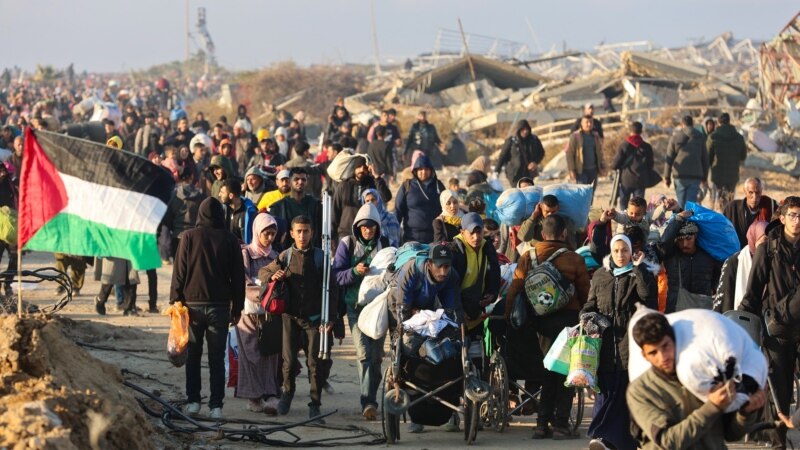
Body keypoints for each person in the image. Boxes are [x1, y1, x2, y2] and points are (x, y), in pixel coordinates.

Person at [505, 214, 590, 440]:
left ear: (542, 235)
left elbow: (514, 289)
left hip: (539, 323)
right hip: (568, 321)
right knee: (565, 372)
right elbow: (585, 293)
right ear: (563, 234)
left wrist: (508, 317)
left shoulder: (529, 257)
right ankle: (561, 425)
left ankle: (542, 425)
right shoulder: (574, 259)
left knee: (547, 373)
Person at [627, 313, 765, 450]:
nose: (663, 357)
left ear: (675, 340)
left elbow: (730, 434)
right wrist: (712, 407)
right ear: (644, 356)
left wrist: (746, 413)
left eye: (665, 346)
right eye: (653, 353)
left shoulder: (706, 372)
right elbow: (668, 441)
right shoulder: (640, 390)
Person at [170, 197, 245, 420]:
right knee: (216, 358)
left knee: (193, 356)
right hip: (220, 308)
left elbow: (179, 272)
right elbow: (238, 277)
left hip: (191, 307)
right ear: (222, 215)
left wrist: (175, 300)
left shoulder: (189, 237)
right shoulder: (231, 240)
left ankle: (193, 402)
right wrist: (238, 307)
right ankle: (216, 406)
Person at [581, 235, 657, 450]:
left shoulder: (638, 274)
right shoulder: (600, 275)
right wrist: (586, 317)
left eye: (625, 250)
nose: (621, 255)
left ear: (631, 251)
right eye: (616, 251)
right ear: (611, 253)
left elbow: (647, 296)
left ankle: (618, 442)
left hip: (629, 344)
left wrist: (640, 269)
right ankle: (601, 439)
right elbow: (590, 303)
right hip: (604, 344)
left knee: (625, 394)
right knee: (604, 394)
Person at [739, 196, 800, 449]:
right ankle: (778, 443)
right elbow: (753, 292)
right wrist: (744, 327)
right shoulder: (769, 248)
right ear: (783, 218)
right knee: (780, 393)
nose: (798, 221)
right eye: (794, 215)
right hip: (777, 332)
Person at [259, 215, 334, 423]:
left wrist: (332, 319)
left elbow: (333, 290)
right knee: (289, 362)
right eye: (298, 231)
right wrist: (273, 277)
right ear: (292, 233)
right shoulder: (285, 256)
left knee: (315, 363)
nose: (302, 235)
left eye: (306, 231)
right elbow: (263, 272)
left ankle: (315, 405)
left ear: (312, 233)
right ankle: (287, 393)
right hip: (290, 318)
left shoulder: (321, 258)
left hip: (314, 320)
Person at [386, 243, 462, 434]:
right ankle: (415, 417)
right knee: (406, 347)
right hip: (399, 301)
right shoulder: (412, 270)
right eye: (439, 266)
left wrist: (454, 331)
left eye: (447, 266)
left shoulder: (451, 276)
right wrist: (411, 321)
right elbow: (402, 309)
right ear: (429, 264)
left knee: (449, 338)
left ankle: (451, 409)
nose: (444, 271)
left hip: (428, 303)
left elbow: (452, 309)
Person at [332, 203, 390, 421]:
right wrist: (354, 272)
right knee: (363, 353)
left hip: (378, 308)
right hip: (355, 308)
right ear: (358, 227)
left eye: (372, 227)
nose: (368, 230)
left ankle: (371, 398)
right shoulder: (347, 244)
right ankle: (368, 401)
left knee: (376, 357)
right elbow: (337, 276)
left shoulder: (384, 245)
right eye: (364, 227)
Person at [236, 213, 281, 414]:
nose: (269, 238)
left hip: (270, 314)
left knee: (270, 355)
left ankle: (271, 394)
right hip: (248, 313)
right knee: (250, 353)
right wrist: (265, 290)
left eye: (272, 234)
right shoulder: (245, 254)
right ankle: (253, 398)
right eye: (266, 233)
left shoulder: (276, 257)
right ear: (257, 232)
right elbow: (243, 282)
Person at [655, 211, 721, 313]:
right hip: (675, 310)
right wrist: (678, 220)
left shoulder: (708, 255)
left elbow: (719, 271)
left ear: (696, 236)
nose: (684, 244)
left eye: (688, 239)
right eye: (680, 240)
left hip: (702, 311)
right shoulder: (672, 254)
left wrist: (713, 288)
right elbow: (663, 244)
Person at [449, 213, 501, 330]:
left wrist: (492, 294)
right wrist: (458, 309)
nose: (476, 237)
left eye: (479, 232)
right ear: (462, 233)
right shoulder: (454, 250)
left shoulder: (487, 247)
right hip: (457, 309)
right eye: (471, 233)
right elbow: (449, 286)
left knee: (476, 346)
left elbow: (494, 273)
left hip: (477, 309)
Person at [332, 156, 391, 242]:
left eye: (364, 167)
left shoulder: (372, 183)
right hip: (345, 233)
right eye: (359, 167)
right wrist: (332, 235)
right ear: (354, 168)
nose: (362, 170)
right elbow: (335, 210)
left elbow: (386, 197)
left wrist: (377, 177)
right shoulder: (344, 185)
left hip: (367, 233)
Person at [713, 220, 768, 313]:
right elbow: (726, 295)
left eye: (770, 240)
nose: (766, 245)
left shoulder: (773, 260)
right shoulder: (734, 262)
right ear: (753, 238)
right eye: (764, 241)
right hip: (738, 317)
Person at [394, 154, 445, 244]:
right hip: (412, 237)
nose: (423, 172)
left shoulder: (439, 186)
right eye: (420, 169)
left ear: (431, 170)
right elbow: (398, 210)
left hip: (436, 237)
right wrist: (393, 232)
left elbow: (446, 208)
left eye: (426, 169)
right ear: (416, 171)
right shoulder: (407, 186)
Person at [268, 168, 322, 249]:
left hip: (311, 252)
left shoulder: (315, 205)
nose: (300, 182)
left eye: (303, 179)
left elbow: (320, 232)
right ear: (289, 181)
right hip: (286, 253)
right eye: (296, 179)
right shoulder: (278, 207)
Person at [663, 116, 708, 208]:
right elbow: (705, 159)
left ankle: (681, 220)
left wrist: (667, 177)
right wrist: (704, 177)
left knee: (680, 202)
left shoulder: (675, 137)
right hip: (696, 175)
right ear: (692, 124)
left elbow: (669, 158)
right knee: (691, 204)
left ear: (682, 124)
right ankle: (689, 221)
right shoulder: (700, 136)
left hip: (680, 175)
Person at [722, 177, 778, 248]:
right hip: (735, 250)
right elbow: (722, 231)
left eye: (758, 193)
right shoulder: (732, 208)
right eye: (751, 192)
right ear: (745, 191)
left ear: (761, 191)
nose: (754, 197)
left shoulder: (770, 206)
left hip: (759, 251)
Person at [707, 113, 747, 212]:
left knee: (721, 197)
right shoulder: (739, 137)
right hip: (733, 174)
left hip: (718, 174)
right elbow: (743, 156)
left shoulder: (713, 137)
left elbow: (708, 157)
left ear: (718, 122)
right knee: (730, 198)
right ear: (729, 122)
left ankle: (724, 215)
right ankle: (728, 215)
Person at [611, 121, 655, 210]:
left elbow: (615, 165)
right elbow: (650, 164)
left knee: (623, 203)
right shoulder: (647, 146)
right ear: (641, 131)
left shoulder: (624, 145)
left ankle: (624, 222)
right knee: (638, 205)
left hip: (626, 180)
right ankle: (636, 222)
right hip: (640, 180)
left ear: (630, 131)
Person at [495, 120, 545, 186]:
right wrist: (496, 171)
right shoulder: (511, 141)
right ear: (519, 130)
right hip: (514, 173)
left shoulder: (534, 140)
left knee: (527, 191)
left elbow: (541, 152)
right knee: (517, 192)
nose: (525, 131)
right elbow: (502, 156)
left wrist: (535, 162)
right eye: (523, 129)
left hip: (528, 173)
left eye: (527, 129)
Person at [566, 115, 604, 185]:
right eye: (587, 122)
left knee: (591, 193)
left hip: (593, 170)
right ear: (581, 123)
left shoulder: (596, 136)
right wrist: (571, 170)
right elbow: (569, 153)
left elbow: (600, 152)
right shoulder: (575, 136)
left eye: (591, 122)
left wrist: (602, 166)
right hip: (581, 171)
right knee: (582, 193)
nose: (589, 124)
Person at [218, 179, 258, 244]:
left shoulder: (250, 213)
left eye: (222, 192)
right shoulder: (222, 209)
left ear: (231, 196)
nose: (219, 194)